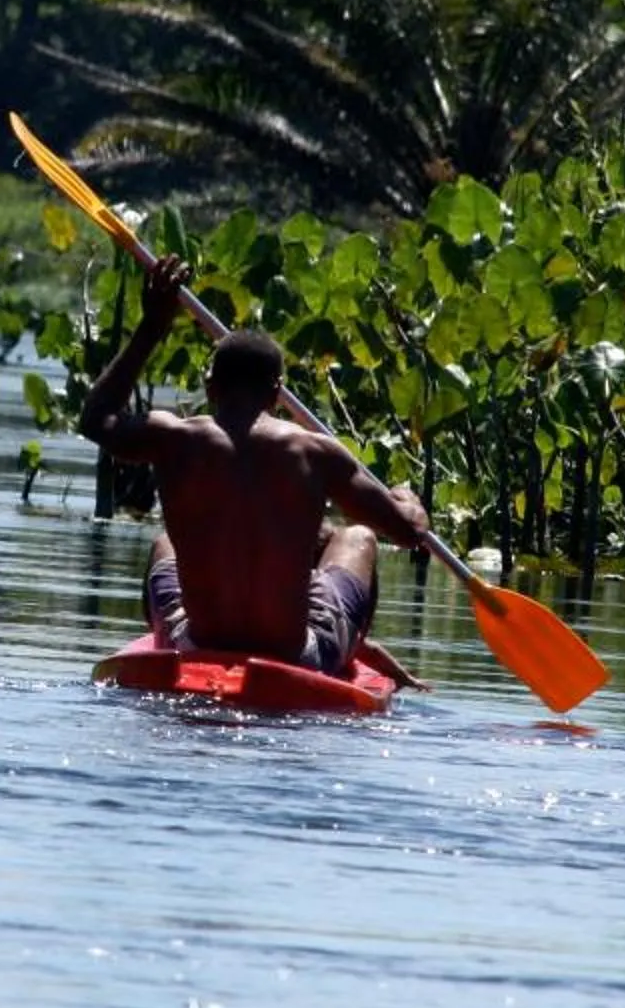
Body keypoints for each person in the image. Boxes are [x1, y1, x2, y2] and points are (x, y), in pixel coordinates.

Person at [79, 251, 432, 686]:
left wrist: (154, 327)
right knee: (356, 537)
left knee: (165, 542)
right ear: (276, 394)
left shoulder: (174, 439)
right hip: (297, 656)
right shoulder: (316, 452)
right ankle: (350, 650)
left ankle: (167, 640)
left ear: (211, 387)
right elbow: (407, 531)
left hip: (193, 643)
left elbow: (96, 419)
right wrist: (408, 502)